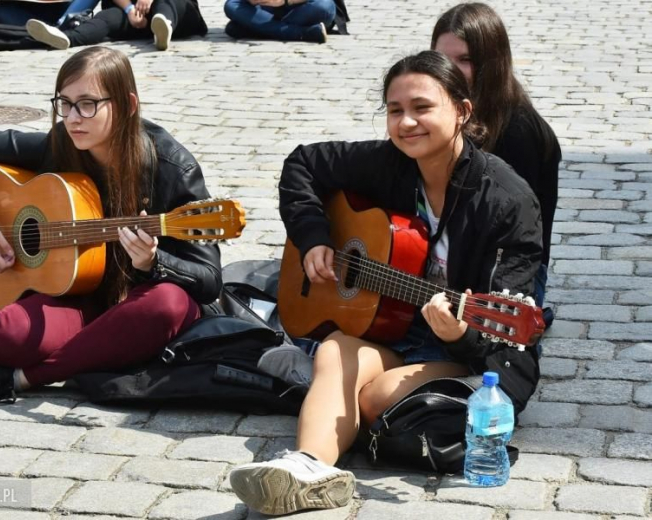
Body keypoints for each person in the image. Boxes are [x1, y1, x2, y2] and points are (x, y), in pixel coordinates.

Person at [229, 50, 543, 516]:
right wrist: (314, 238)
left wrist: (461, 331)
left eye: (422, 107)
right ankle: (309, 469)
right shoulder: (389, 163)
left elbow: (504, 329)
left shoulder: (506, 200)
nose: (406, 122)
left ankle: (320, 421)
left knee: (375, 398)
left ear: (462, 111)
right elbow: (303, 165)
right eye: (395, 111)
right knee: (337, 348)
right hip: (397, 330)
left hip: (476, 353)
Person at [0, 46, 221, 404]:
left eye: (88, 104)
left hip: (140, 305)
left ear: (128, 105)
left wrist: (153, 262)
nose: (72, 118)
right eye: (64, 103)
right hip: (79, 295)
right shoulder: (61, 146)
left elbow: (209, 281)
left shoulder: (174, 167)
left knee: (168, 305)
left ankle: (19, 379)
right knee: (13, 332)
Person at [432, 2, 561, 308]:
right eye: (441, 58)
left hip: (505, 272)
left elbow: (512, 243)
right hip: (448, 253)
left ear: (491, 62)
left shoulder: (518, 132)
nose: (450, 70)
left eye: (465, 59)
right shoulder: (435, 112)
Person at [26, 0, 207, 52]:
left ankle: (162, 27)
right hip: (134, 13)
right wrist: (129, 9)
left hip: (179, 13)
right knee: (106, 18)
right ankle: (68, 38)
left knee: (165, 4)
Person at [223, 0, 336, 44]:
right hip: (266, 9)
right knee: (232, 5)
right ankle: (303, 33)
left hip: (302, 8)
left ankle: (255, 27)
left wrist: (285, 1)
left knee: (324, 7)